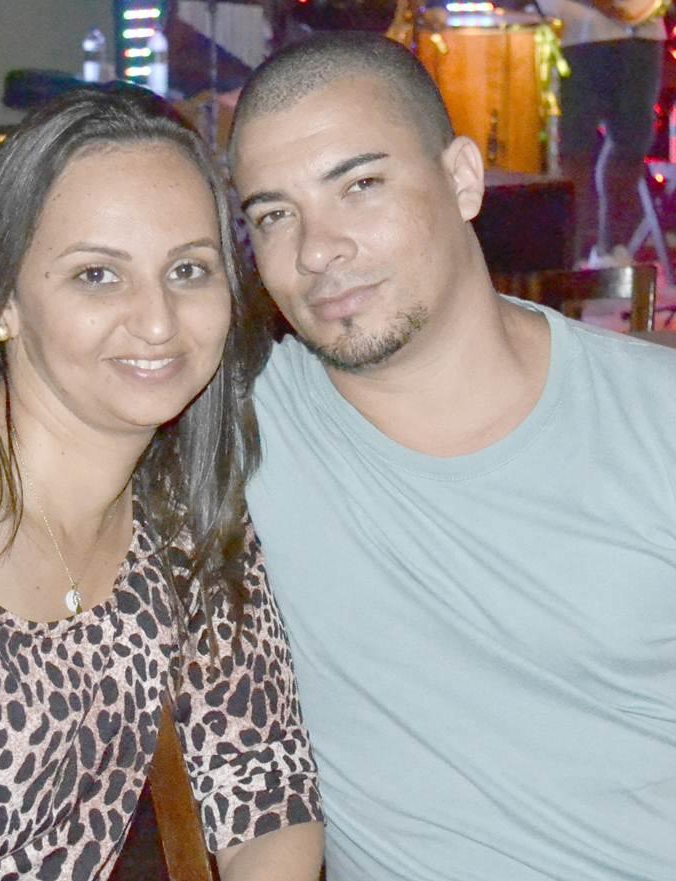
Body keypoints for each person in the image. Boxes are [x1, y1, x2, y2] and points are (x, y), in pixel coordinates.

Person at [228, 32, 676, 881]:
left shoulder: (657, 419)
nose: (317, 250)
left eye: (360, 185)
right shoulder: (238, 428)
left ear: (464, 178)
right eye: (274, 214)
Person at [0, 85, 323, 881]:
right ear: (5, 300)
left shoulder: (181, 520)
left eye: (188, 269)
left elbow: (265, 788)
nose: (157, 321)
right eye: (97, 275)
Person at [537, 0, 665, 266]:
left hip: (642, 29)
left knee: (632, 144)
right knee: (572, 149)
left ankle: (612, 254)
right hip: (572, 32)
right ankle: (565, 262)